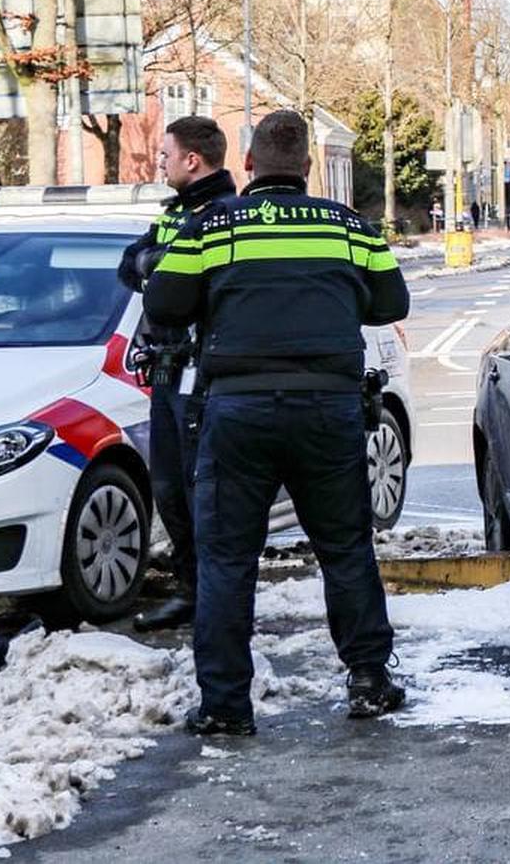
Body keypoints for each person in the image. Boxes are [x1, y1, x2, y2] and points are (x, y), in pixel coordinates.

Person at [145, 111, 410, 736]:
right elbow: (391, 303)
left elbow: (162, 303)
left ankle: (226, 705)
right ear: (310, 169)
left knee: (227, 559)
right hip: (329, 410)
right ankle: (368, 678)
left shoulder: (212, 225)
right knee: (345, 548)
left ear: (249, 166)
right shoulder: (348, 227)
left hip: (237, 412)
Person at [115, 116, 237, 632]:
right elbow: (129, 265)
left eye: (165, 154)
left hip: (201, 373)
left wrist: (159, 265)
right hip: (165, 373)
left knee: (200, 491)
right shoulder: (175, 215)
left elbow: (199, 281)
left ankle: (217, 600)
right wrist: (157, 262)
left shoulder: (226, 213)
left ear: (192, 159)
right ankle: (192, 591)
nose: (158, 162)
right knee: (169, 490)